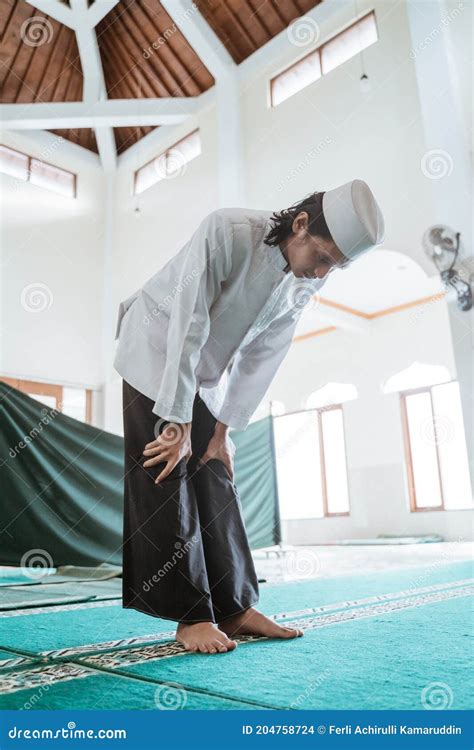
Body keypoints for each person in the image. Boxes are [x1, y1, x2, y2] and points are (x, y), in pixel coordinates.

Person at [114, 179, 385, 655]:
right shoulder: (227, 230)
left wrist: (221, 432)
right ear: (300, 225)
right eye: (322, 257)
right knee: (165, 464)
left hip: (203, 372)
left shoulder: (306, 282)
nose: (322, 272)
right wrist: (177, 422)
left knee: (214, 469)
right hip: (155, 347)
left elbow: (264, 356)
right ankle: (191, 614)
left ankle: (236, 607)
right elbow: (188, 318)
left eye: (333, 266)